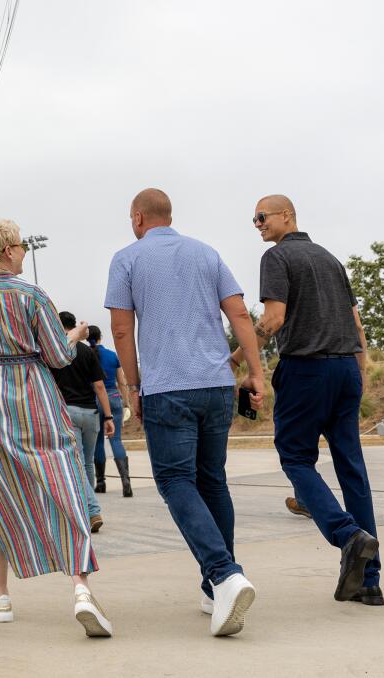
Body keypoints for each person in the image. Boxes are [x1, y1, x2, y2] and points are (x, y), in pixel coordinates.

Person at [105, 188, 264, 638]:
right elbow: (239, 314)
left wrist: (133, 386)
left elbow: (121, 328)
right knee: (212, 480)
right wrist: (255, 373)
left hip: (168, 389)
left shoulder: (127, 259)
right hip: (215, 385)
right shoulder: (206, 253)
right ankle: (216, 589)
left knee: (176, 481)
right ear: (168, 216)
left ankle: (224, 574)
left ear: (138, 217)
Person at [0, 218, 113, 638]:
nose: (24, 251)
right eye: (21, 245)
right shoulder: (31, 294)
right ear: (8, 250)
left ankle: (0, 598)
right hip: (34, 396)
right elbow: (58, 357)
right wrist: (74, 333)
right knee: (63, 483)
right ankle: (80, 589)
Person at [247, 195, 382, 606]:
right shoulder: (330, 259)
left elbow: (273, 319)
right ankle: (369, 581)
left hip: (306, 371)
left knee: (295, 457)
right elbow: (355, 321)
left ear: (286, 215)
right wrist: (358, 368)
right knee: (351, 467)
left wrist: (239, 354)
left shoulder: (277, 258)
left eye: (261, 216)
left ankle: (347, 535)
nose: (257, 224)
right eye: (253, 219)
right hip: (345, 368)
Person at [52, 312, 116, 530]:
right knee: (86, 463)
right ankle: (87, 510)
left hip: (66, 412)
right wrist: (108, 416)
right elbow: (99, 386)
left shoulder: (56, 351)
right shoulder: (88, 351)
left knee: (76, 464)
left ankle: (91, 511)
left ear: (60, 326)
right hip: (90, 413)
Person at [88, 324, 133, 498]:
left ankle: (100, 483)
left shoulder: (85, 355)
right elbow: (122, 382)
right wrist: (126, 403)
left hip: (94, 401)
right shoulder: (112, 355)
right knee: (116, 440)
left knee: (98, 442)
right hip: (114, 399)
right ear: (100, 337)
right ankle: (126, 481)